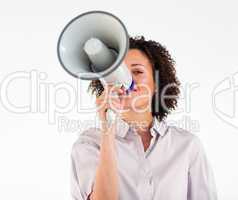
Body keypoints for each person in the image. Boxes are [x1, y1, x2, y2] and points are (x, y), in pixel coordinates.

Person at [70, 36, 218, 200]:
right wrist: (107, 128)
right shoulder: (89, 144)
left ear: (156, 83)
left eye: (137, 72)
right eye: (117, 73)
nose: (125, 79)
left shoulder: (187, 145)